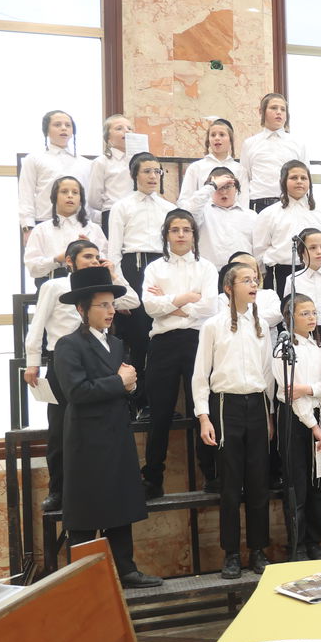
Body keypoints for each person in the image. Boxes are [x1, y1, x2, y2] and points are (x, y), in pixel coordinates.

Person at [49, 266, 161, 588]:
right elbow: (76, 392)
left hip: (116, 434)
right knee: (86, 509)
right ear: (82, 309)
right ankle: (84, 578)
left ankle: (126, 568)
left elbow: (124, 389)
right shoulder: (68, 345)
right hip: (86, 439)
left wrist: (131, 385)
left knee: (120, 502)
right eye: (103, 305)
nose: (111, 311)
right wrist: (118, 382)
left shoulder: (116, 344)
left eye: (113, 305)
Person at [24, 240, 137, 512]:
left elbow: (133, 300)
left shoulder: (104, 291)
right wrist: (32, 362)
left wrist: (112, 275)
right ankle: (58, 490)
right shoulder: (54, 287)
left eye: (97, 256)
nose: (94, 261)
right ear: (70, 261)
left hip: (98, 360)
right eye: (87, 256)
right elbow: (37, 325)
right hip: (63, 360)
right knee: (59, 430)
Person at [193, 261, 276, 579]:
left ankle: (258, 550)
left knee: (259, 483)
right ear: (229, 288)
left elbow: (267, 372)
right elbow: (201, 375)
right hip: (225, 405)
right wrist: (204, 416)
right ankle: (231, 553)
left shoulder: (262, 326)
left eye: (255, 280)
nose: (253, 284)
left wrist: (268, 414)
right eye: (245, 280)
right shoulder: (212, 326)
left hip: (256, 404)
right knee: (230, 485)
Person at [140, 209, 219, 498]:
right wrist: (187, 299)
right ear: (166, 234)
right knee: (159, 412)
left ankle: (211, 473)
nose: (182, 235)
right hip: (162, 342)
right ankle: (153, 478)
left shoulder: (207, 268)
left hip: (198, 340)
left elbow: (210, 307)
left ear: (194, 235)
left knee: (204, 408)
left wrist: (169, 303)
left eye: (187, 229)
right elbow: (149, 306)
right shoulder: (154, 268)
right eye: (175, 230)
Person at [106, 151, 175, 415]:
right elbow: (113, 253)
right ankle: (138, 402)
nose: (152, 176)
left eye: (157, 171)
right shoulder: (121, 206)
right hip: (131, 270)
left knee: (160, 338)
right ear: (135, 175)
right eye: (146, 171)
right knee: (137, 340)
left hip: (159, 270)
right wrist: (122, 293)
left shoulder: (168, 208)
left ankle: (158, 403)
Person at [273, 293, 321, 561]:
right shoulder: (283, 350)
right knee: (297, 485)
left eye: (313, 313)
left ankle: (314, 543)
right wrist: (313, 426)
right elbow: (291, 394)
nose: (311, 318)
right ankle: (296, 547)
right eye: (304, 313)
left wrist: (309, 388)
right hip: (296, 421)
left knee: (318, 486)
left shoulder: (320, 349)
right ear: (289, 318)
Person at [252, 159, 321, 293]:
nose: (299, 181)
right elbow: (259, 249)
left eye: (304, 178)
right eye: (293, 178)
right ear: (283, 181)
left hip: (312, 271)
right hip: (279, 273)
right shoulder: (269, 213)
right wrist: (263, 274)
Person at [23, 176, 106, 285]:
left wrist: (89, 251)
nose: (70, 196)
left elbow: (106, 263)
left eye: (75, 192)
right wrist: (57, 259)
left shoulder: (94, 229)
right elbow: (32, 268)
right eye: (64, 191)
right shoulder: (41, 229)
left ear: (81, 200)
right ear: (54, 197)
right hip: (50, 284)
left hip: (88, 285)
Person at [19, 109, 88, 233]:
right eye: (57, 125)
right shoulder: (34, 159)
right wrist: (27, 227)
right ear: (46, 131)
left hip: (78, 223)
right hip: (44, 221)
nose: (63, 128)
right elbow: (26, 195)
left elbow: (89, 198)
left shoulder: (85, 163)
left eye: (68, 125)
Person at [240, 93, 306, 212]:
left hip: (288, 203)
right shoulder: (250, 143)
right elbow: (245, 178)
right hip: (258, 203)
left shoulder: (297, 144)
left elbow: (305, 177)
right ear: (262, 111)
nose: (279, 112)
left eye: (283, 109)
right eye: (274, 108)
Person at [187, 167, 255, 270]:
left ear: (236, 188)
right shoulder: (202, 213)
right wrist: (212, 185)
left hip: (241, 274)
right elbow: (190, 208)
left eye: (228, 186)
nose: (223, 192)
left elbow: (258, 248)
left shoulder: (251, 216)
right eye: (219, 187)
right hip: (209, 273)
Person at [282, 228, 321, 342]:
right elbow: (288, 311)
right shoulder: (293, 279)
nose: (319, 251)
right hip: (305, 335)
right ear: (301, 252)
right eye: (312, 248)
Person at [87, 113, 135, 232]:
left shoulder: (138, 161)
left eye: (129, 128)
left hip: (137, 213)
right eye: (119, 128)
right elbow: (94, 198)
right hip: (112, 213)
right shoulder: (102, 162)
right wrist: (111, 206)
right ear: (108, 137)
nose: (126, 131)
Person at [179, 118, 239, 210]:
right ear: (208, 140)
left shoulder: (239, 169)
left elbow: (243, 201)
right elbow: (184, 200)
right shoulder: (196, 167)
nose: (217, 138)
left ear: (230, 139)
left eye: (222, 135)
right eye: (213, 135)